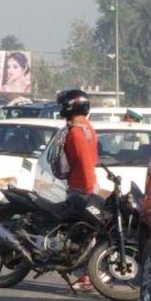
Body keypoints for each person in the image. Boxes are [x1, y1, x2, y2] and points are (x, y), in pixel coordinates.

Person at [53, 89, 99, 290]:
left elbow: (85, 162)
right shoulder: (88, 127)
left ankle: (84, 277)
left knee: (77, 234)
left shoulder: (75, 132)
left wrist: (87, 191)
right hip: (87, 185)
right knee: (85, 233)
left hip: (81, 188)